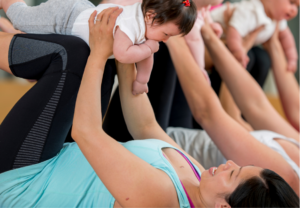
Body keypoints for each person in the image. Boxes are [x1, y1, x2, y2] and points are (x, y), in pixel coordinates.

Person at [0, 7, 298, 208]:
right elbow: (145, 126)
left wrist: (101, 50)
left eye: (234, 175)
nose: (230, 164)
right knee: (97, 57)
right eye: (239, 166)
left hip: (23, 183)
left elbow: (87, 132)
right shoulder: (196, 180)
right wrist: (129, 45)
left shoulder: (163, 198)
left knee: (74, 56)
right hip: (57, 157)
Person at [1, 0, 197, 95]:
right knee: (22, 18)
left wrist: (141, 81)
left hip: (75, 29)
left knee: (38, 53)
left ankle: (9, 30)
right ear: (151, 17)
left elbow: (145, 58)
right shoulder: (129, 23)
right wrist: (147, 49)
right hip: (64, 19)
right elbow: (122, 53)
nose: (166, 40)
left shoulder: (146, 28)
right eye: (167, 34)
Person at [210, 0, 299, 71]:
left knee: (263, 59)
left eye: (297, 6)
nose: (294, 10)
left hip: (237, 42)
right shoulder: (251, 10)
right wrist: (237, 51)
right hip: (214, 33)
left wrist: (292, 59)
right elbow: (234, 32)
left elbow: (287, 39)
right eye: (291, 2)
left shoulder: (279, 19)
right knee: (249, 58)